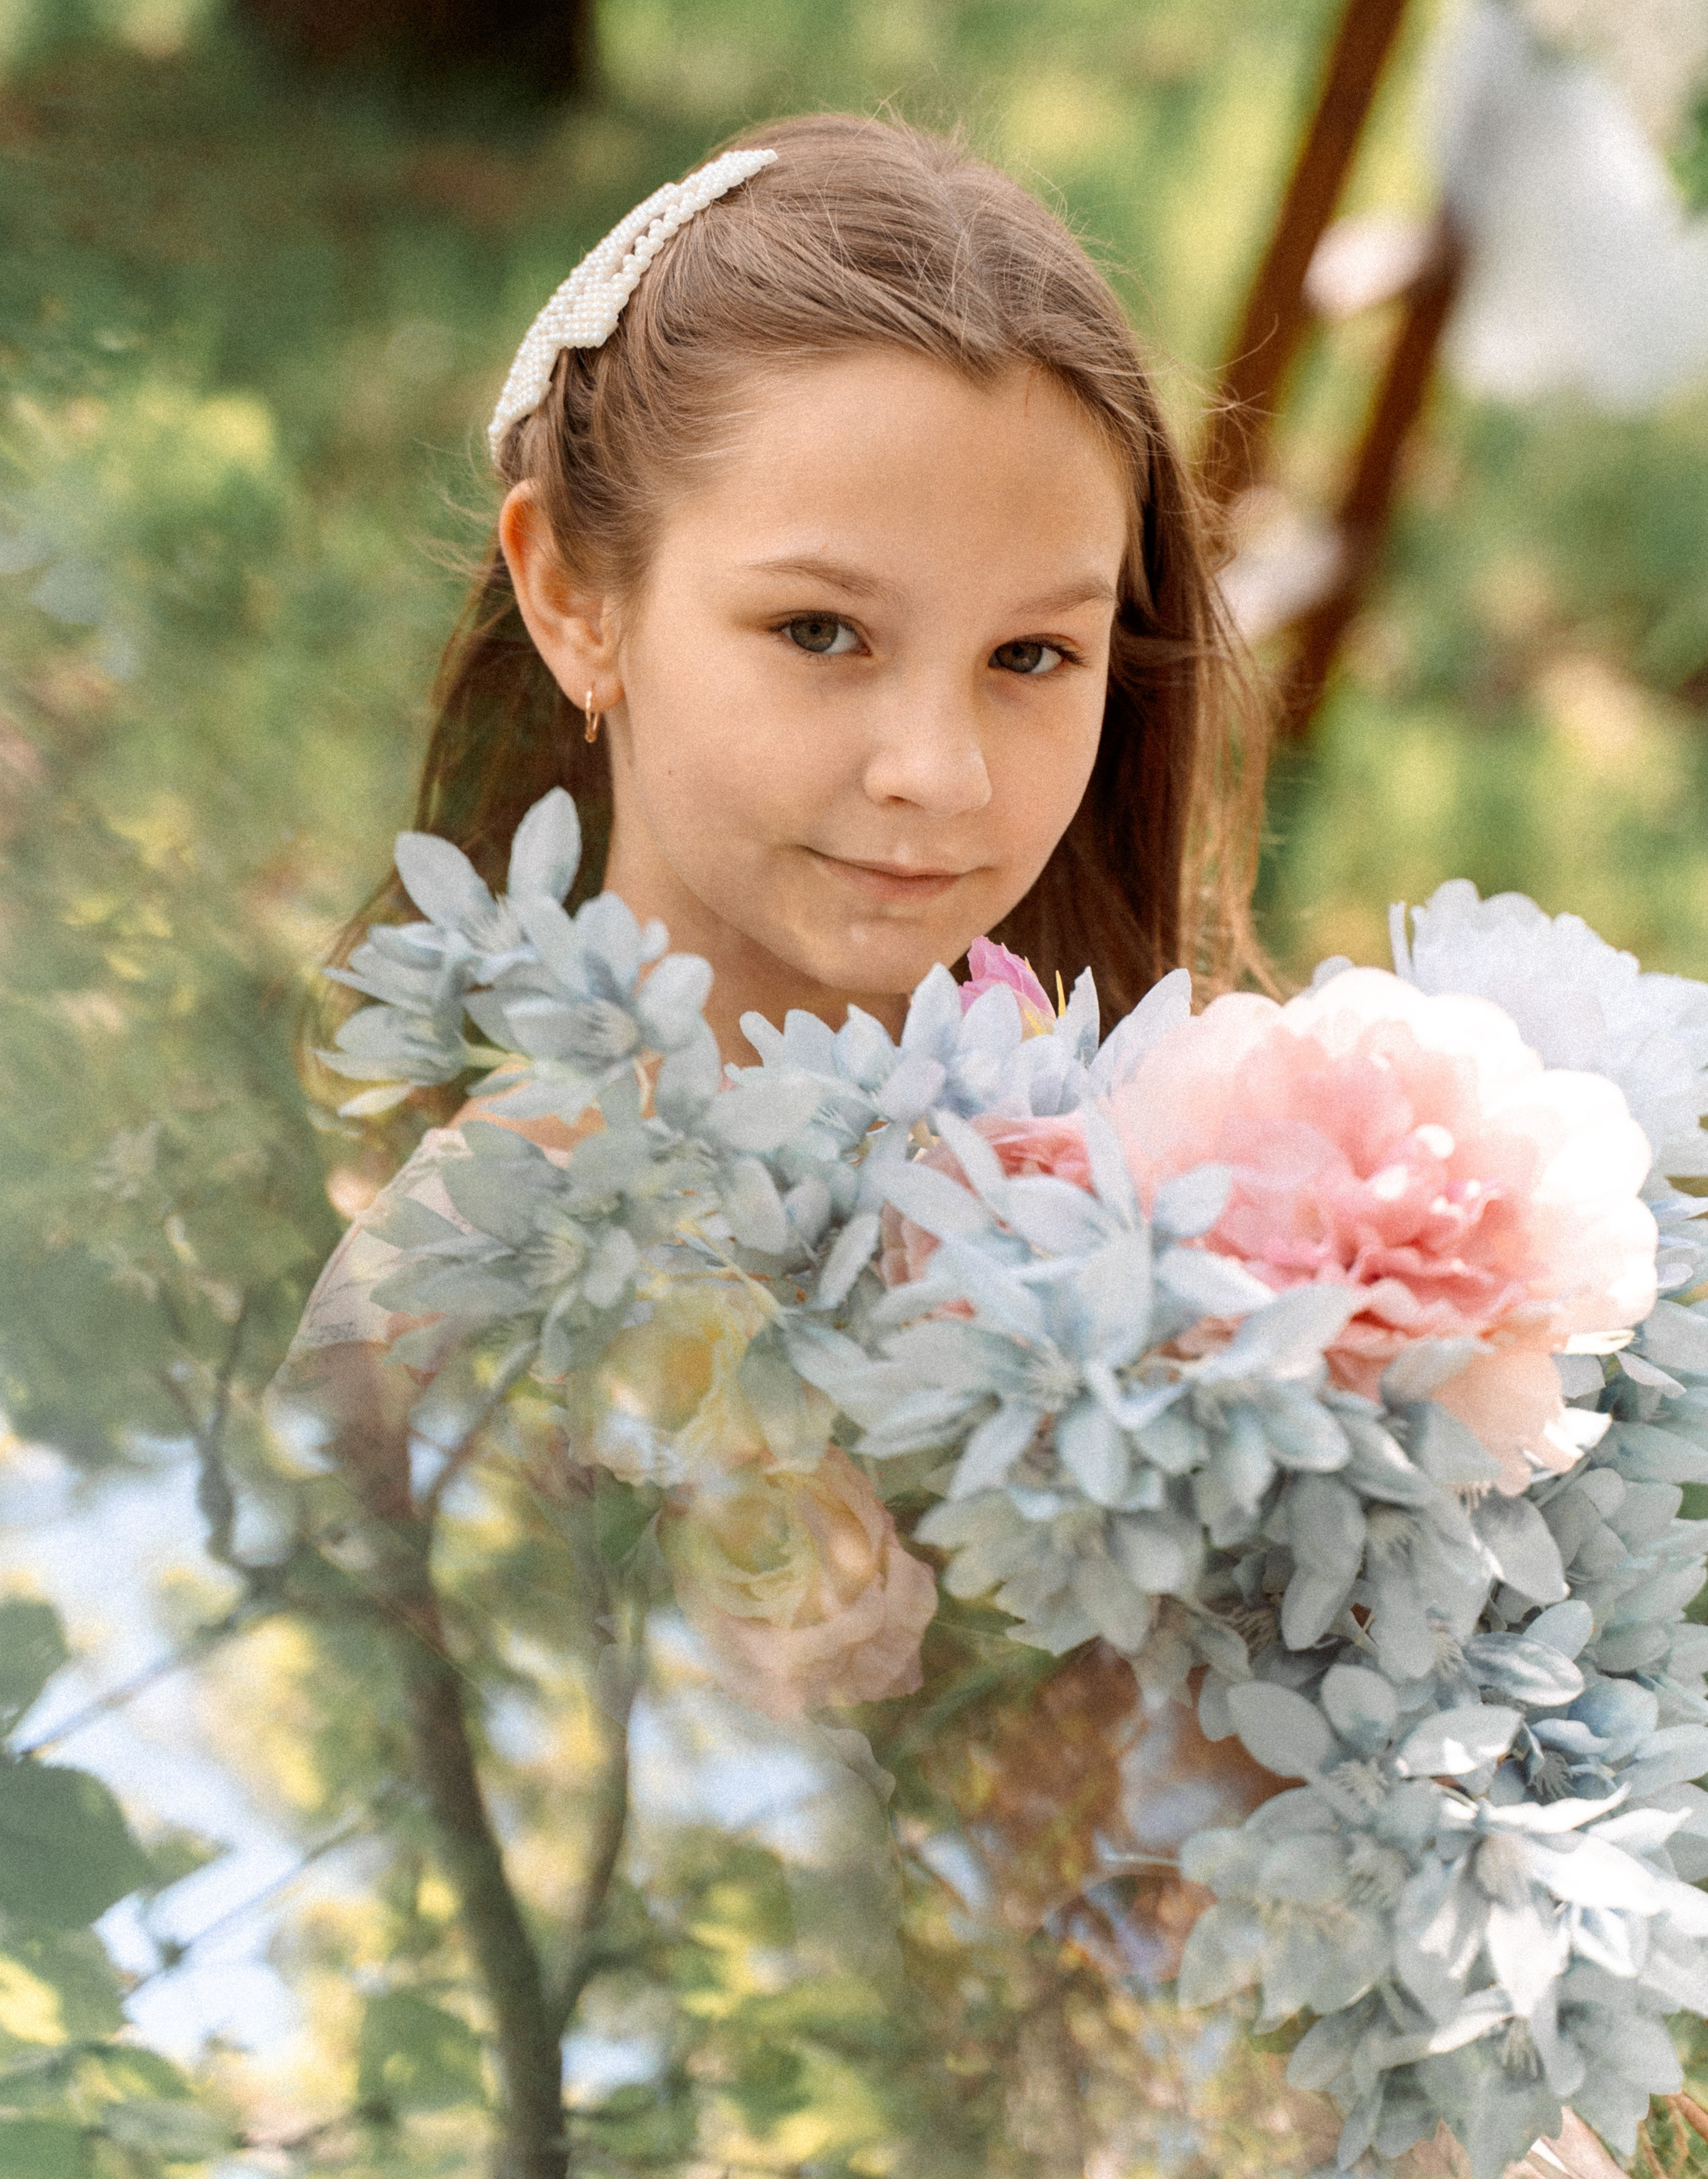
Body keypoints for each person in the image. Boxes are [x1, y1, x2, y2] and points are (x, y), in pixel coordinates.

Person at [281, 107, 1278, 1973]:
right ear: (578, 595)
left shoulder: (1184, 1151)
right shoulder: (483, 1282)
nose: (941, 773)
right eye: (822, 631)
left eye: (1034, 655)